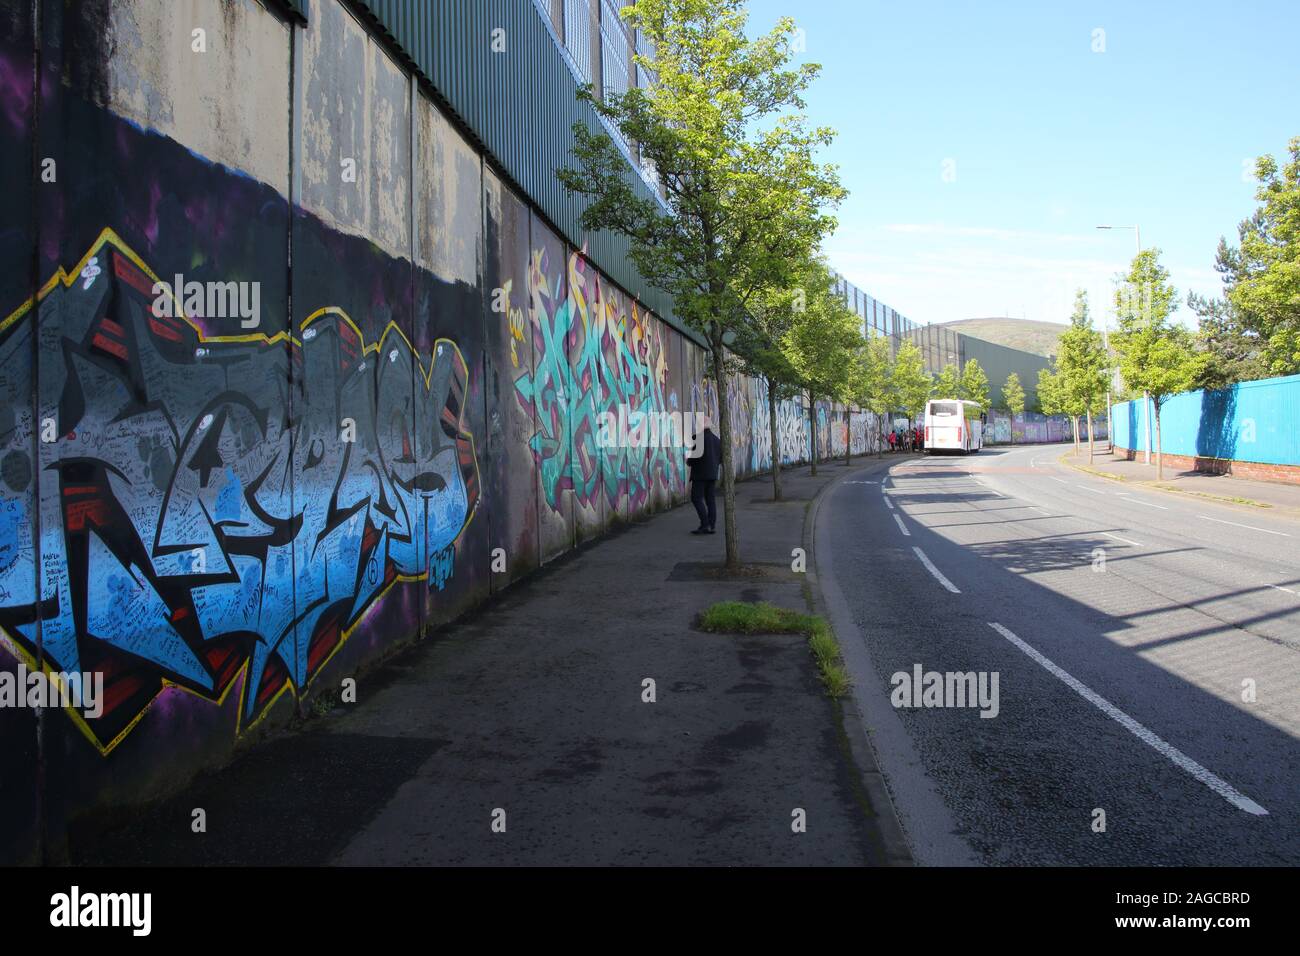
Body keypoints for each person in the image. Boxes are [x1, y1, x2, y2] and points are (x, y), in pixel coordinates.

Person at [688, 415, 722, 535]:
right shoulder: (717, 440)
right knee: (710, 500)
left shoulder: (699, 439)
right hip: (712, 474)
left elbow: (692, 460)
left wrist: (689, 461)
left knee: (696, 498)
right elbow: (721, 458)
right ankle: (711, 525)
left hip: (700, 475)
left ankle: (705, 524)